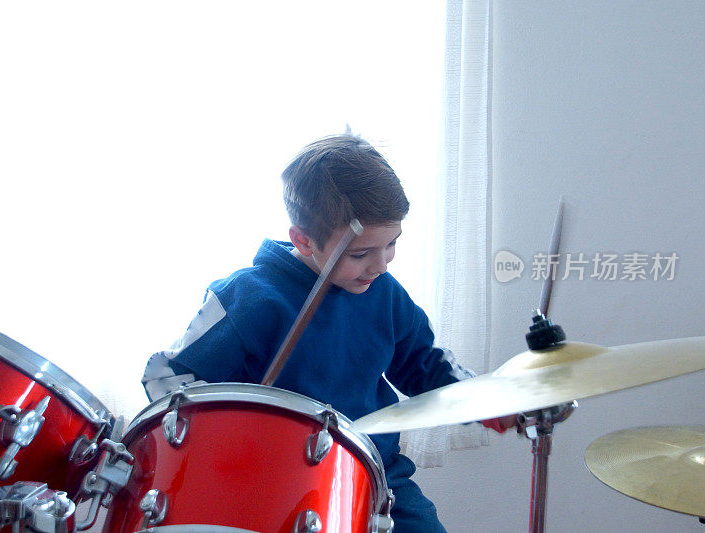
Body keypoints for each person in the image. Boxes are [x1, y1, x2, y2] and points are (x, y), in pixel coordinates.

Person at [142, 134, 513, 532]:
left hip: (377, 476)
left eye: (391, 245)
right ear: (303, 239)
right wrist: (227, 446)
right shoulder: (245, 299)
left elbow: (425, 366)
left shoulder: (383, 294)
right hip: (274, 484)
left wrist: (485, 401)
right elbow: (167, 377)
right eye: (360, 254)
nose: (381, 265)